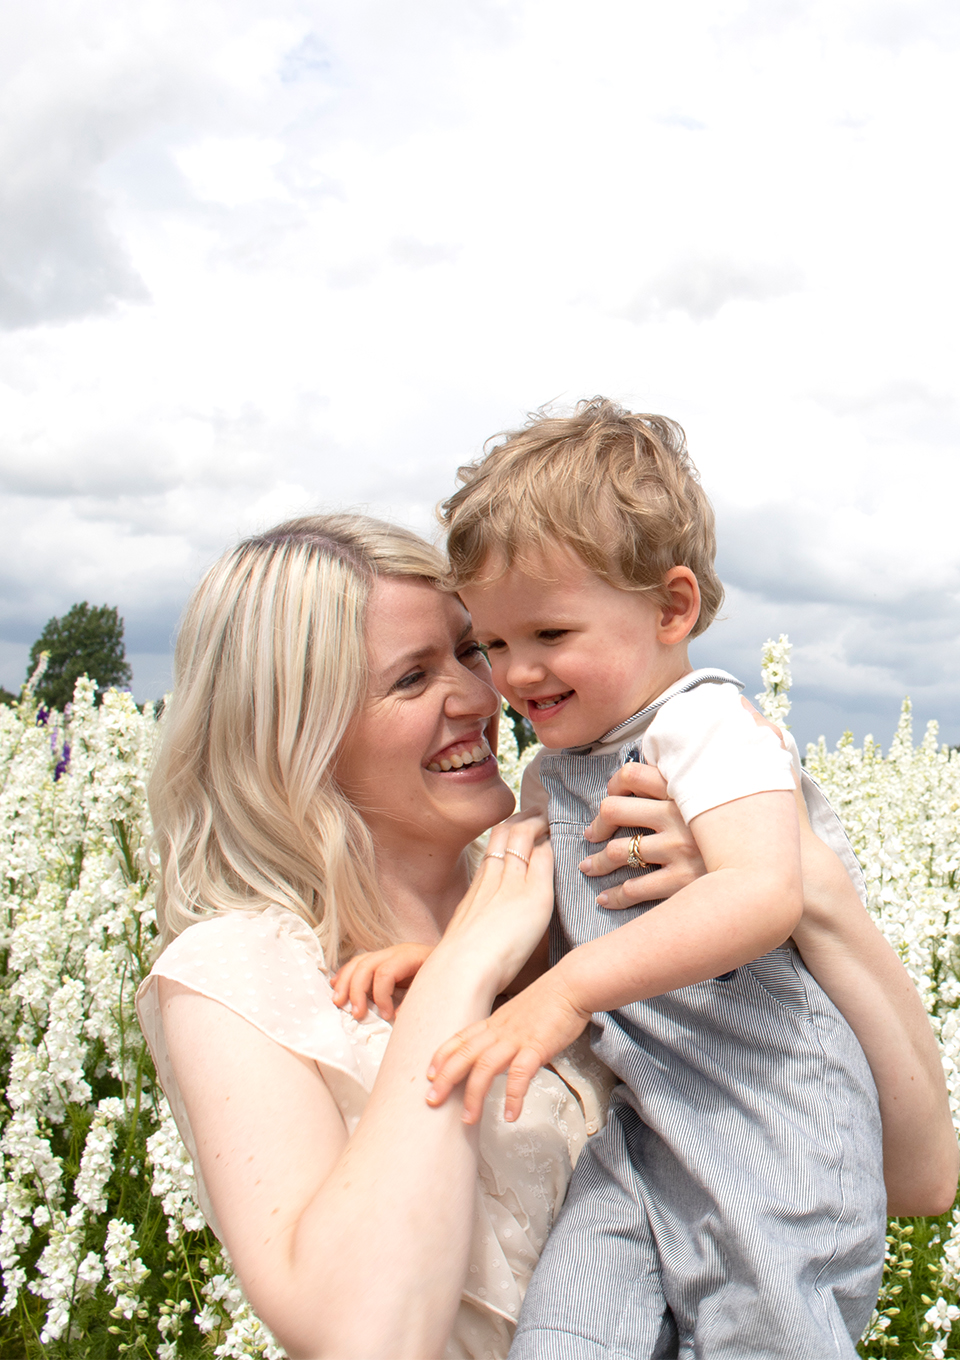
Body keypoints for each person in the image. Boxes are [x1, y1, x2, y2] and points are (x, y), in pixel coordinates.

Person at [136, 510, 954, 1360]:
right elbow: (366, 1338)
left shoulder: (583, 893)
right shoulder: (236, 976)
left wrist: (806, 885)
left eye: (468, 652)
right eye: (413, 679)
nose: (485, 695)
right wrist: (461, 974)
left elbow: (918, 1177)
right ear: (292, 735)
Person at [408, 399, 959, 1358]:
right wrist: (430, 963)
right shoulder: (547, 775)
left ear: (673, 608)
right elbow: (542, 946)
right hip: (648, 1133)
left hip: (774, 1132)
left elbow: (760, 894)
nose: (515, 673)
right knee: (566, 1332)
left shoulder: (706, 726)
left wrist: (571, 992)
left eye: (547, 633)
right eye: (493, 644)